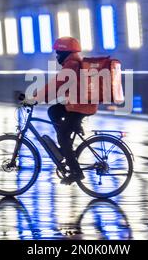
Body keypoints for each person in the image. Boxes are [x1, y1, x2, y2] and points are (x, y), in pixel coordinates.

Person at [34, 37, 98, 185]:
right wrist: (40, 97)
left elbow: (56, 85)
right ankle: (67, 147)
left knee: (63, 135)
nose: (56, 56)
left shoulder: (72, 65)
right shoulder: (73, 63)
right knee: (54, 111)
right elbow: (58, 89)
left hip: (80, 107)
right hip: (77, 105)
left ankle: (76, 172)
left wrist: (35, 98)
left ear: (65, 53)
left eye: (58, 53)